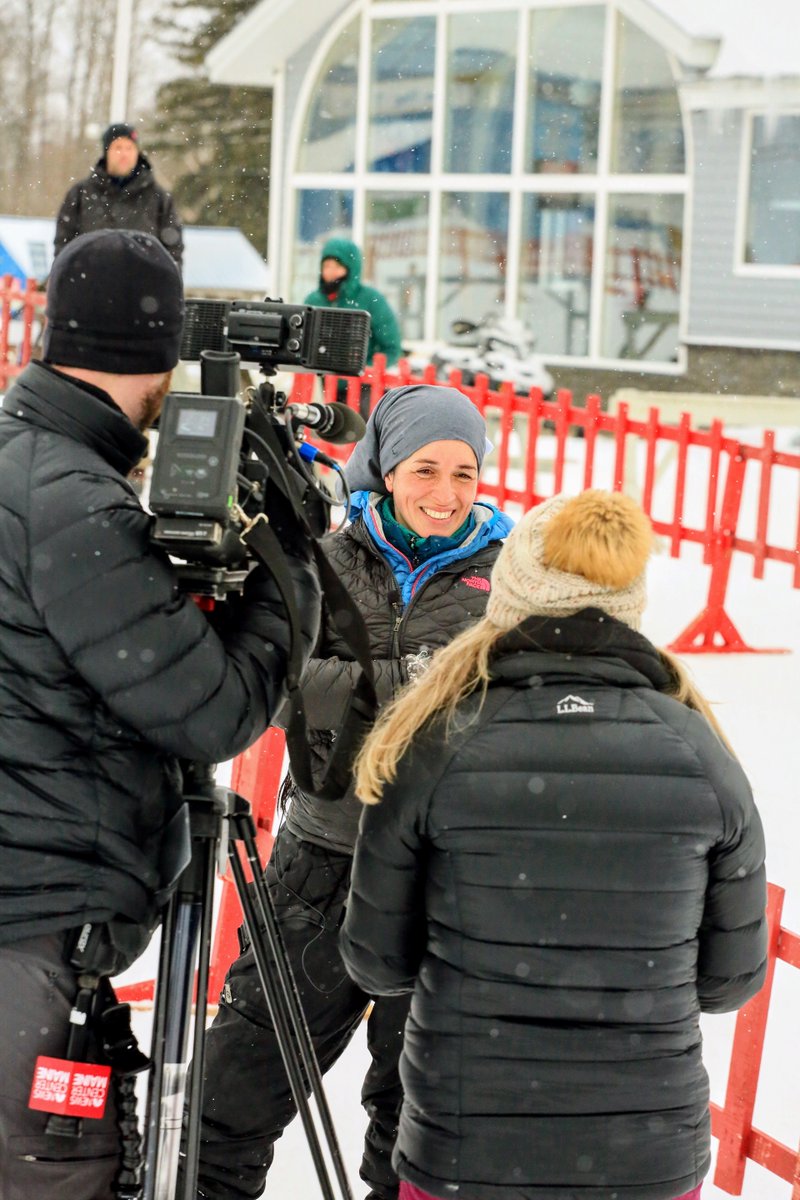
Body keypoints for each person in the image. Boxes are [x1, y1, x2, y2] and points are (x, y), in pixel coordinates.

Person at [0, 228, 320, 1198]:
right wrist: (290, 562)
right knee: (49, 1175)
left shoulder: (27, 464)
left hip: (26, 903)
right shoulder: (73, 506)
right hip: (35, 920)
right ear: (156, 360)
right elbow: (211, 709)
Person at [341, 489, 769, 1200]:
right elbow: (730, 982)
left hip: (465, 1147)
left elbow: (375, 961)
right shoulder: (700, 749)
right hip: (645, 1158)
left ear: (511, 598)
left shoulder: (437, 741)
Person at [192, 384, 514, 1200]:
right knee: (230, 1096)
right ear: (385, 467)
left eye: (465, 474)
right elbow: (276, 683)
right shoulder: (323, 559)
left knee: (414, 1123)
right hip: (323, 865)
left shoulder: (513, 580)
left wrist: (387, 691)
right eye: (425, 469)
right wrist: (407, 684)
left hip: (452, 883)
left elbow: (519, 707)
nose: (446, 496)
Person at [54, 122, 183, 267]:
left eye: (129, 148)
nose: (124, 154)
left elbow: (173, 249)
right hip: (90, 283)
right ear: (106, 151)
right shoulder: (80, 194)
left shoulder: (159, 197)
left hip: (143, 285)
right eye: (118, 148)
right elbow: (64, 244)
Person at [305, 237, 403, 368]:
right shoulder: (313, 301)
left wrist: (364, 370)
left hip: (362, 385)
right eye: (327, 266)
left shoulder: (371, 299)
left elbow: (392, 348)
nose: (331, 272)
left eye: (338, 266)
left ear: (351, 269)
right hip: (320, 382)